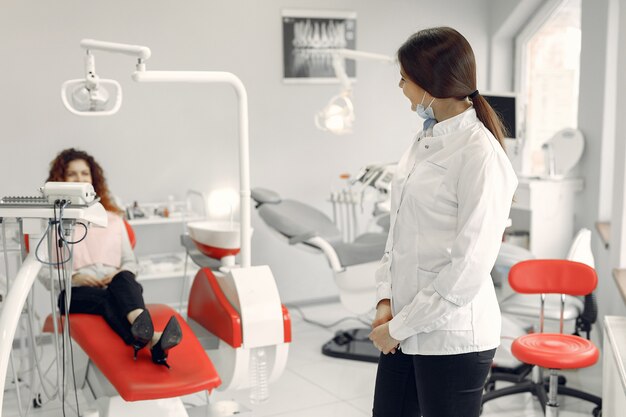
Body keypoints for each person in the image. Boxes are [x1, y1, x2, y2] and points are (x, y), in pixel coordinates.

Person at [368, 27, 518, 417]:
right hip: (403, 325)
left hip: (452, 339)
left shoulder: (480, 155)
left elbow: (467, 270)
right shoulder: (426, 138)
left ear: (429, 83)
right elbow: (398, 231)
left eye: (404, 78)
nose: (400, 86)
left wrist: (398, 327)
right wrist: (385, 299)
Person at [46, 148, 182, 368]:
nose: (79, 178)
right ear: (60, 179)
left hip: (114, 285)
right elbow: (42, 273)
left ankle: (143, 333)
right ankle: (152, 338)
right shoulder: (52, 222)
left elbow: (130, 262)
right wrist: (74, 277)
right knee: (109, 299)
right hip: (75, 292)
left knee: (126, 278)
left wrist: (117, 274)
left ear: (93, 179)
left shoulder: (113, 219)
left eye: (84, 173)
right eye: (72, 174)